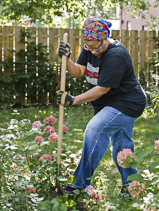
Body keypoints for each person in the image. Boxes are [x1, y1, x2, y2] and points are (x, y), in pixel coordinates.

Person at [56, 17, 147, 196]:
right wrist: (66, 59)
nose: (93, 52)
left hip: (127, 103)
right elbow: (78, 71)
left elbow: (102, 89)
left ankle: (79, 184)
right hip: (111, 104)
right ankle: (132, 189)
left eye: (96, 48)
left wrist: (72, 100)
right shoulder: (90, 48)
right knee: (122, 148)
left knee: (95, 128)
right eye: (88, 47)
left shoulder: (116, 55)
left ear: (105, 38)